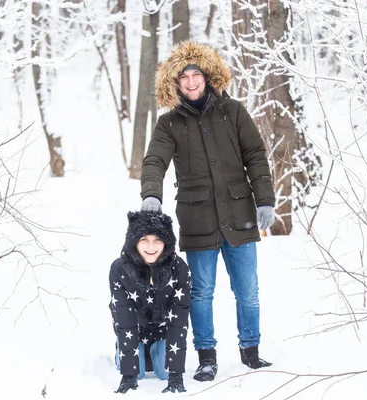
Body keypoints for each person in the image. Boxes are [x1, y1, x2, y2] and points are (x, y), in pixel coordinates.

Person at [140, 41, 276, 382]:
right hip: (198, 219)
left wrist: (265, 199)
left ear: (207, 76)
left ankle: (251, 350)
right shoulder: (169, 124)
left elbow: (256, 156)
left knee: (248, 289)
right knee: (201, 291)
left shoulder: (233, 112)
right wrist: (151, 194)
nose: (190, 82)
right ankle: (206, 356)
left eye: (195, 74)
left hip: (240, 213)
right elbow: (154, 160)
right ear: (175, 82)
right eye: (183, 76)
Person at [109, 211, 190, 394]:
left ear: (166, 243)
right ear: (134, 241)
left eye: (157, 240)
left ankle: (153, 351)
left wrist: (176, 374)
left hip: (163, 329)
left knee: (164, 373)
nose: (151, 246)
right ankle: (128, 351)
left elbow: (179, 322)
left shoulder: (180, 270)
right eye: (144, 239)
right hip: (133, 328)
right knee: (137, 374)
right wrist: (128, 375)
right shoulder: (119, 269)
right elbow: (125, 319)